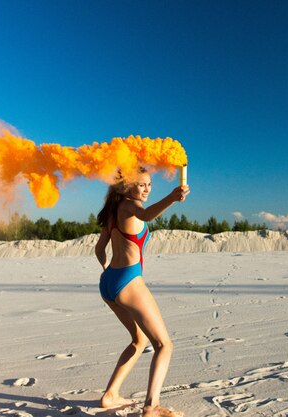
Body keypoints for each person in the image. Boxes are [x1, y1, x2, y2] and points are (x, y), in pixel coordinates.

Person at [95, 167, 190, 417]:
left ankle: (110, 395)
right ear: (125, 187)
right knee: (164, 345)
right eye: (141, 185)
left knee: (139, 341)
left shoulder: (113, 212)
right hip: (128, 281)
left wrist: (108, 270)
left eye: (149, 185)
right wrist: (171, 198)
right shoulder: (129, 205)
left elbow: (99, 249)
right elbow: (147, 215)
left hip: (109, 283)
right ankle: (151, 406)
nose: (147, 189)